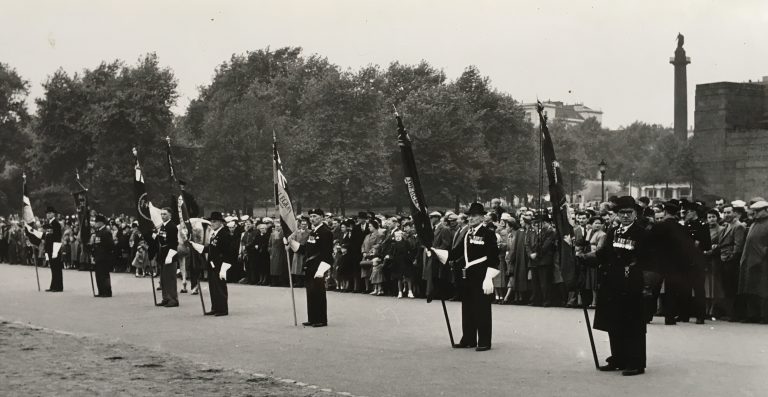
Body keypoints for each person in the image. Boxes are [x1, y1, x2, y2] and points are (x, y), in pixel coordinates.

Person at [581, 196, 652, 376]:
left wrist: (646, 286)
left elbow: (650, 262)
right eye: (622, 213)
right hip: (613, 283)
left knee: (633, 325)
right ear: (617, 214)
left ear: (636, 213)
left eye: (629, 212)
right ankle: (618, 358)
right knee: (614, 322)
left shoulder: (642, 233)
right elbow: (603, 254)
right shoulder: (613, 231)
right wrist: (584, 258)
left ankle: (636, 362)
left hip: (633, 284)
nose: (626, 216)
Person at [449, 202, 499, 352]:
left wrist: (489, 277)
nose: (471, 218)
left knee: (482, 308)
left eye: (475, 216)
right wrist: (436, 252)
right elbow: (456, 253)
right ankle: (468, 339)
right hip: (468, 275)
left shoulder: (488, 234)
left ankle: (484, 341)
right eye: (470, 216)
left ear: (482, 217)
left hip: (482, 275)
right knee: (468, 307)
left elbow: (493, 258)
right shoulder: (466, 234)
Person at [736, 200, 768, 324]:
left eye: (758, 211)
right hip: (749, 261)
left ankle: (764, 315)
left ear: (765, 210)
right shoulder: (754, 223)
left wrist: (763, 254)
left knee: (762, 290)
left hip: (762, 262)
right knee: (749, 289)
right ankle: (752, 314)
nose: (755, 213)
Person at [302, 208, 333, 327]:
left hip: (319, 266)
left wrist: (322, 269)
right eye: (311, 217)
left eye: (315, 216)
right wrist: (291, 244)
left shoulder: (326, 232)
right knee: (311, 292)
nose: (312, 219)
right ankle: (312, 318)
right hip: (310, 265)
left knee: (319, 293)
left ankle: (321, 319)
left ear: (321, 217)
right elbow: (307, 249)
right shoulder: (313, 232)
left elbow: (326, 253)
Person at [718, 204, 746, 320]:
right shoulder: (726, 225)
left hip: (731, 261)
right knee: (727, 287)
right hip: (724, 259)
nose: (726, 215)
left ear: (734, 213)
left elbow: (738, 246)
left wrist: (731, 257)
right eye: (724, 213)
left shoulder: (737, 226)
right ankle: (729, 312)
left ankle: (734, 314)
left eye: (729, 212)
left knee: (732, 287)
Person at [204, 212, 232, 316]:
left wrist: (224, 268)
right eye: (211, 221)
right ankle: (215, 307)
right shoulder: (214, 234)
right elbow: (211, 248)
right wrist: (197, 246)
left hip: (220, 264)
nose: (212, 223)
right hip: (212, 264)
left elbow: (228, 252)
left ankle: (222, 309)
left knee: (220, 287)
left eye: (214, 221)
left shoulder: (224, 234)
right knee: (213, 287)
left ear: (221, 222)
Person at [156, 208, 179, 307]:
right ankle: (165, 298)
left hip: (170, 254)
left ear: (170, 215)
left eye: (165, 214)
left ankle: (173, 299)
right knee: (164, 278)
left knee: (170, 278)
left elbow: (174, 243)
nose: (162, 216)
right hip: (163, 253)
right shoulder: (163, 226)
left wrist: (170, 256)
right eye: (161, 214)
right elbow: (161, 239)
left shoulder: (172, 227)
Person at [91, 214, 114, 297]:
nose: (95, 223)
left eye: (96, 222)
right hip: (98, 257)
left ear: (101, 222)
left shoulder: (106, 232)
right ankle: (101, 291)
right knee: (98, 275)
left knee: (104, 275)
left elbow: (110, 245)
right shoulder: (98, 232)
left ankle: (107, 292)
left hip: (104, 257)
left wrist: (105, 253)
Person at [43, 206, 63, 292]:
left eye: (49, 213)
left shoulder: (56, 224)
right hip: (50, 248)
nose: (48, 215)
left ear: (53, 214)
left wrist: (55, 251)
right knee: (53, 268)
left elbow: (57, 238)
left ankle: (58, 286)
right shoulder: (49, 224)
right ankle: (53, 285)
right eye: (47, 213)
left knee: (56, 268)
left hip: (55, 248)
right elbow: (47, 237)